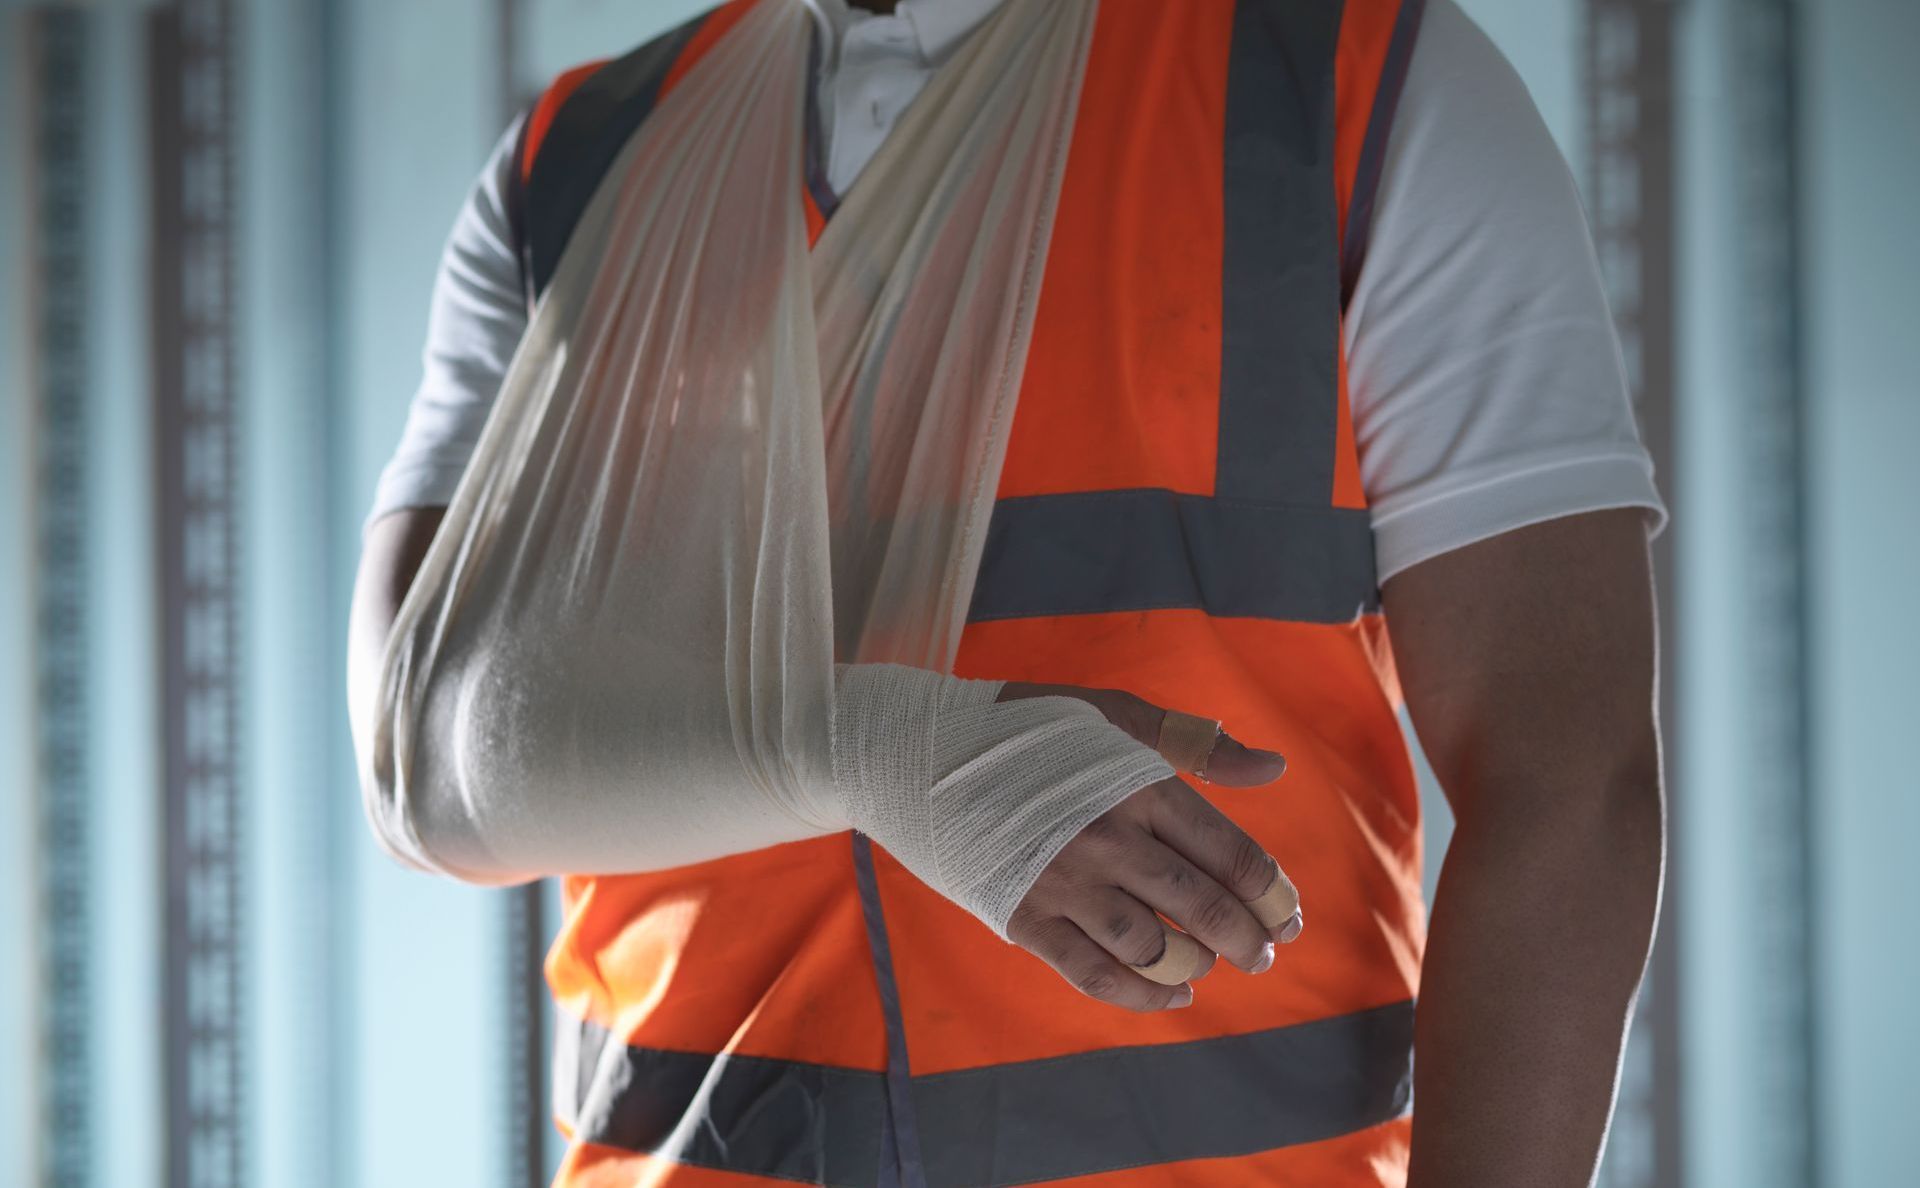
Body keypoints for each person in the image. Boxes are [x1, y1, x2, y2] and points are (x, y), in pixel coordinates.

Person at [348, 0, 1668, 1184]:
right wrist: (888, 753)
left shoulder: (1357, 84)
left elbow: (1564, 776)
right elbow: (420, 759)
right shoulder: (567, 170)